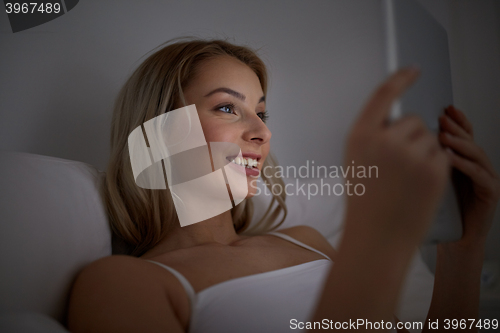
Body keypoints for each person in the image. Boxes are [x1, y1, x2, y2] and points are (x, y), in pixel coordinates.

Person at [67, 38, 499, 333]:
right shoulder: (122, 282)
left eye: (262, 113)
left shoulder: (307, 241)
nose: (261, 132)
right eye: (226, 107)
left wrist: (464, 244)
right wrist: (376, 234)